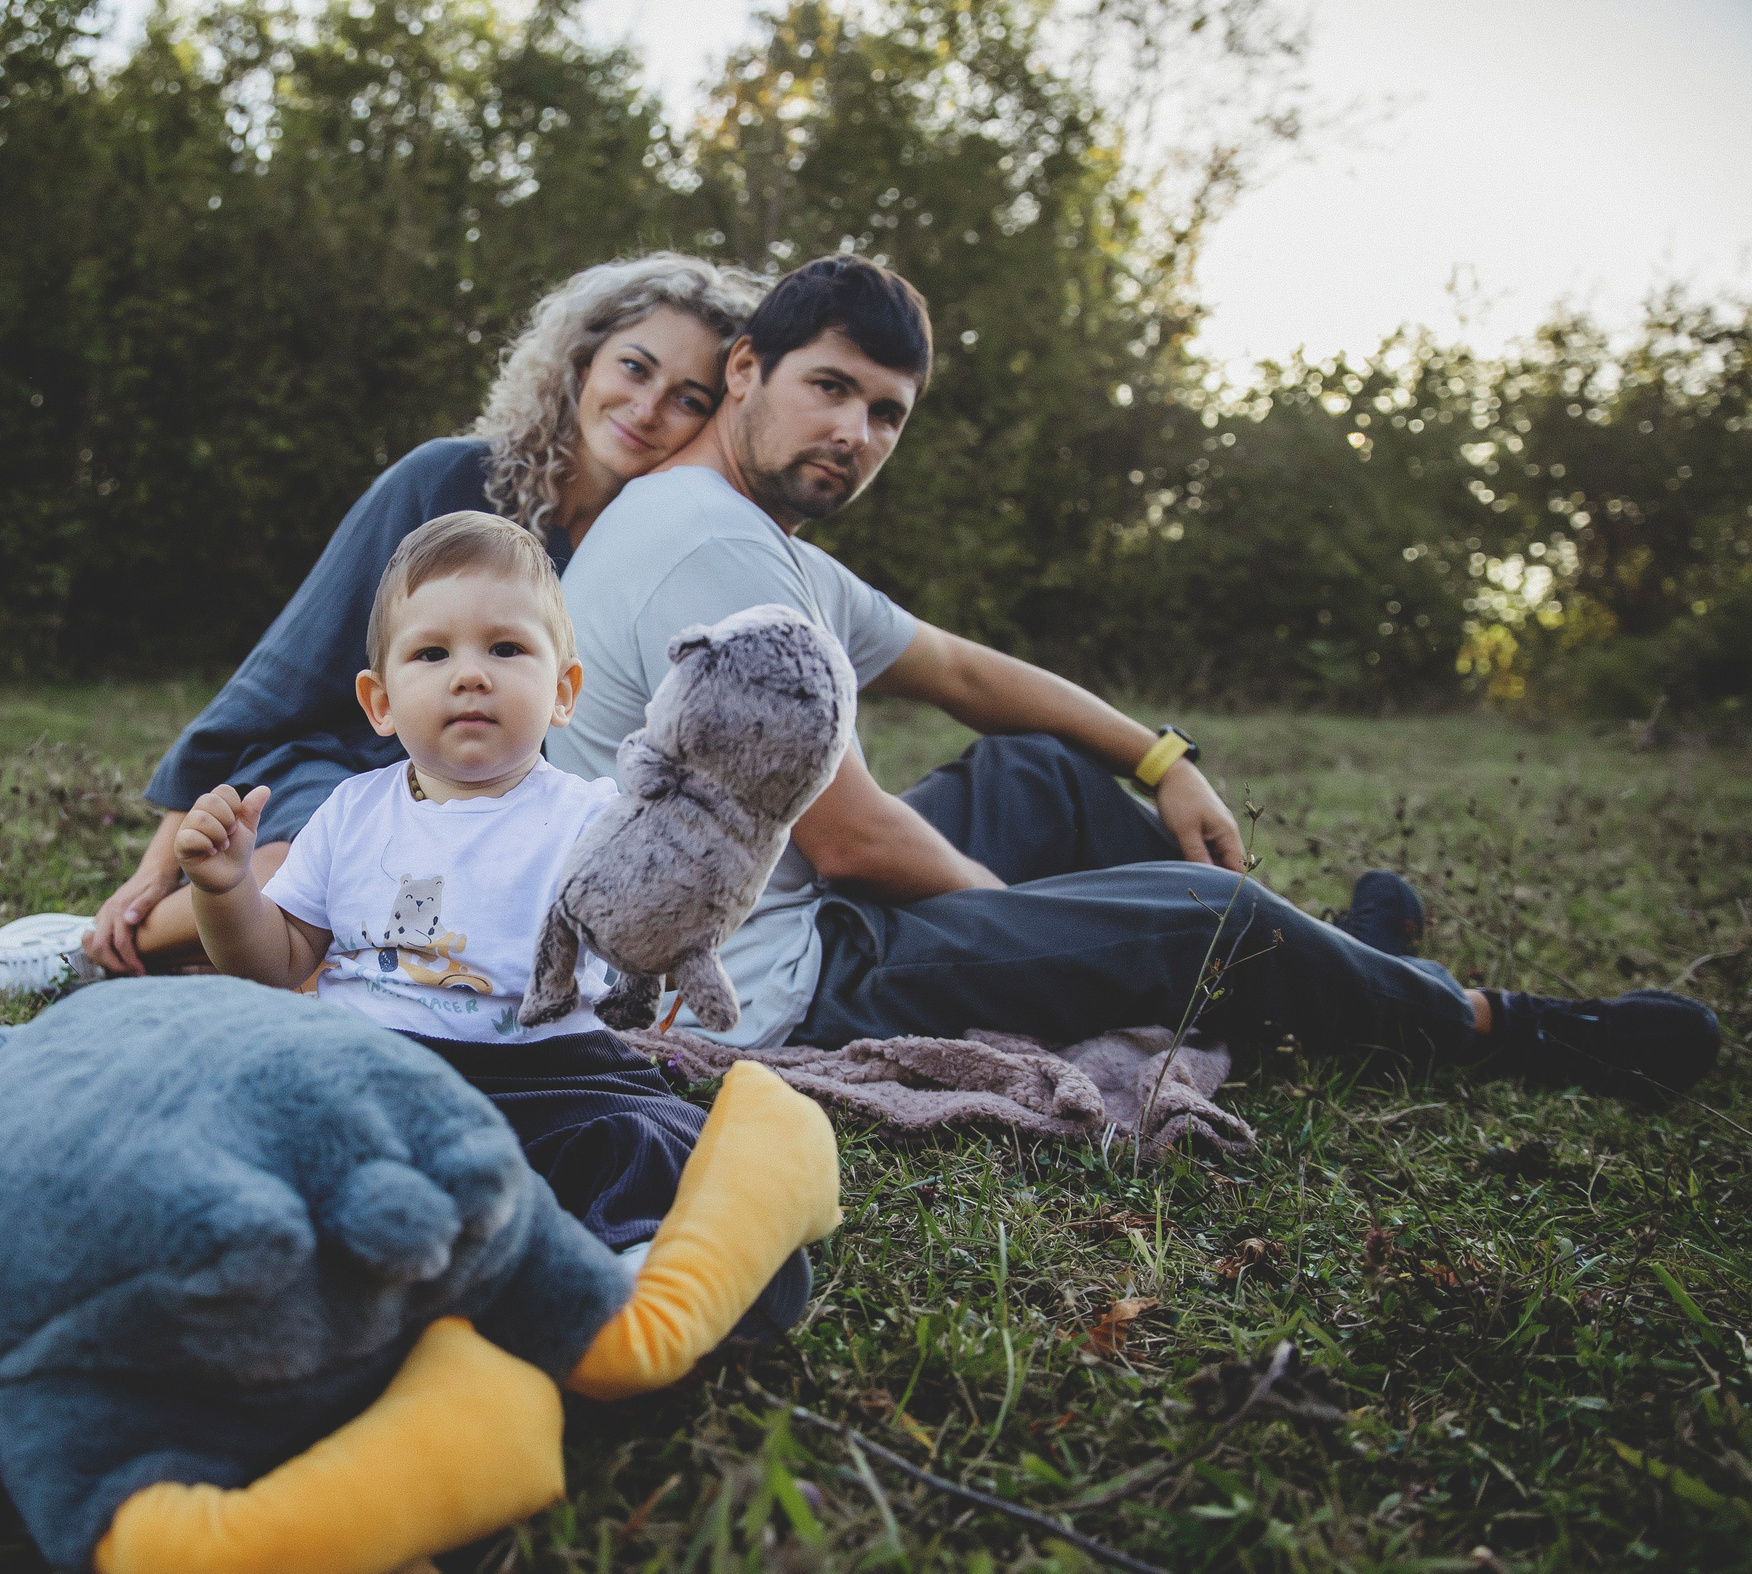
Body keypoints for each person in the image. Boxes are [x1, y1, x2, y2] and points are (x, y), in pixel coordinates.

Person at [550, 256, 1720, 1097]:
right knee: (1200, 916)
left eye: (886, 413)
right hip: (765, 983)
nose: (855, 434)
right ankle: (1487, 1028)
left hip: (792, 898)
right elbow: (854, 842)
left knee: (1036, 772)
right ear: (747, 367)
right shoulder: (709, 548)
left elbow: (958, 670)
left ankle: (1340, 970)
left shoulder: (740, 531)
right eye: (830, 387)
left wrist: (1160, 759)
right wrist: (1013, 918)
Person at [0, 252, 765, 1001]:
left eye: (687, 398)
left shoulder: (655, 548)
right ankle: (89, 951)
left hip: (496, 799)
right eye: (634, 367)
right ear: (583, 362)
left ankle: (229, 968)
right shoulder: (446, 479)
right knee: (308, 871)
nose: (648, 406)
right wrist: (154, 873)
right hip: (342, 761)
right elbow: (281, 675)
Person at [179, 513, 793, 1331]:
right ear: (380, 701)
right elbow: (277, 961)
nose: (470, 675)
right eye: (432, 654)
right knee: (261, 1112)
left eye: (505, 649)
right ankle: (329, 1254)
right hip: (376, 1072)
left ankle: (630, 1274)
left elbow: (655, 916)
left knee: (648, 1135)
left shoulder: (594, 817)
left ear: (564, 691)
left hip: (551, 1076)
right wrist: (224, 890)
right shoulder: (350, 813)